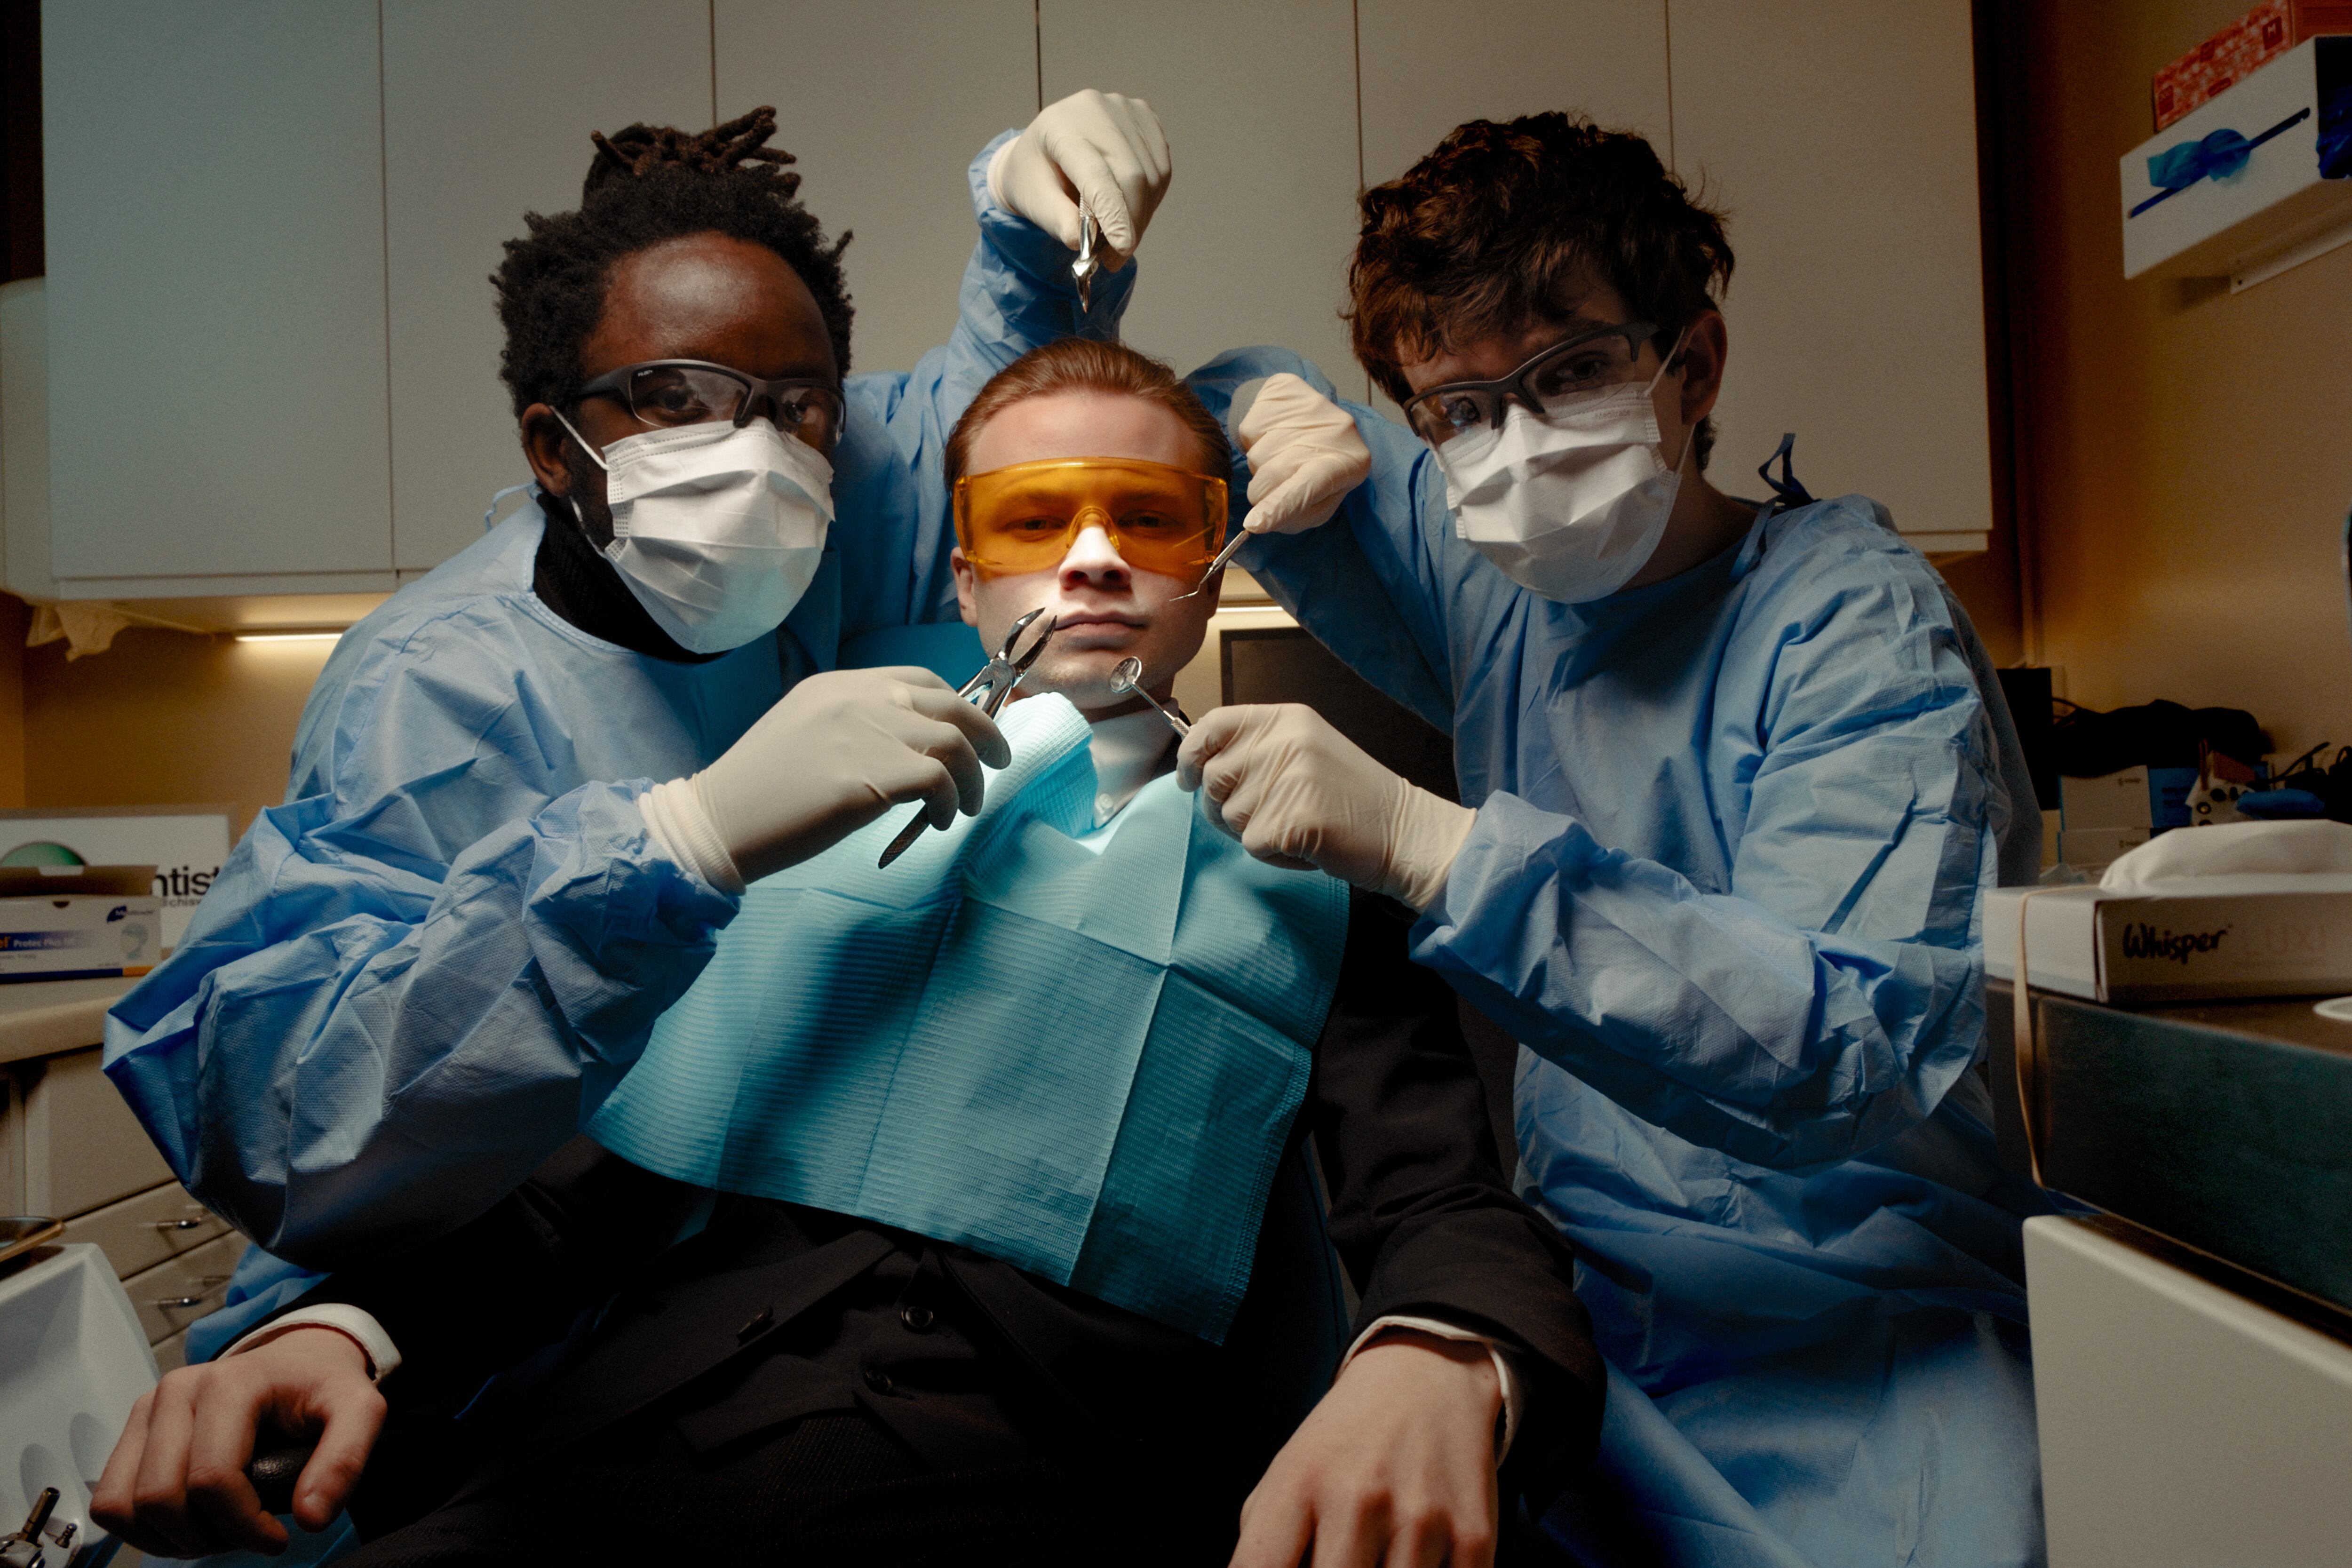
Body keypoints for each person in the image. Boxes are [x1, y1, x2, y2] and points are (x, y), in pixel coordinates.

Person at [94, 339, 1604, 1567]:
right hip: (608, 1461)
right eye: (1033, 520)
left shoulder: (1318, 859)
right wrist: (347, 1325)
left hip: (1045, 1475)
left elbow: (1447, 1205)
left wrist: (1442, 1349)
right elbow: (586, 1190)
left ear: (1216, 561)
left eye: (1146, 516)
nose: (1089, 561)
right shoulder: (810, 795)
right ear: (963, 579)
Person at [1170, 114, 2052, 1567]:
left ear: (1689, 364)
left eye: (1568, 372)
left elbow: (1857, 1042)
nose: (1510, 443)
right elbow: (1183, 421)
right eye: (1455, 409)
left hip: (1865, 1338)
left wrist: (1435, 850)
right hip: (1592, 1326)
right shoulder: (1501, 591)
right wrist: (1261, 400)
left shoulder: (1855, 625)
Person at [101, 93, 1173, 1278]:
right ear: (555, 446)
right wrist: (676, 841)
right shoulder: (437, 689)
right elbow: (294, 1121)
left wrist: (1028, 217)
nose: (753, 452)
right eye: (675, 396)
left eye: (798, 406)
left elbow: (996, 427)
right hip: (503, 1302)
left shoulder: (834, 487)